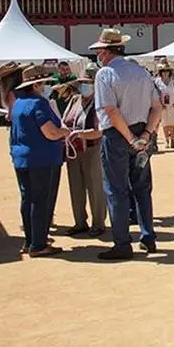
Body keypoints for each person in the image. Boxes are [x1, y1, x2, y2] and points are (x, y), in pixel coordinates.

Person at [90, 28, 162, 260]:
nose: (99, 55)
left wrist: (130, 138)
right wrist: (147, 135)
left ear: (106, 51)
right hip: (142, 129)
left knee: (116, 189)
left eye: (100, 51)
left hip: (117, 135)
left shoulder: (105, 74)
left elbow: (110, 110)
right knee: (142, 187)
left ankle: (122, 243)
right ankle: (148, 236)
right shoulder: (141, 72)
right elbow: (157, 107)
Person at [8, 65, 69, 257]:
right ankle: (39, 243)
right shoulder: (38, 103)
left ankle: (30, 241)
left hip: (22, 157)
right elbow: (49, 131)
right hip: (42, 158)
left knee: (27, 199)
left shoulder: (18, 102)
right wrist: (64, 133)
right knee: (40, 200)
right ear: (37, 84)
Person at [61, 64, 106, 237]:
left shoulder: (100, 102)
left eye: (88, 82)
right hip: (73, 149)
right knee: (76, 186)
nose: (84, 86)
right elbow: (64, 120)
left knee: (95, 186)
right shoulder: (74, 100)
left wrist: (81, 133)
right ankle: (80, 222)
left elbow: (101, 129)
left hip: (93, 148)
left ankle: (98, 223)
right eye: (82, 82)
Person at [154, 60, 174, 149]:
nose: (165, 73)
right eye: (163, 71)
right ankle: (166, 140)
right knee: (164, 123)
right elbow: (155, 94)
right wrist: (160, 104)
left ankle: (172, 139)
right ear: (161, 72)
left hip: (172, 103)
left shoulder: (173, 80)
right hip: (162, 104)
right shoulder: (157, 81)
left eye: (167, 71)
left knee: (172, 122)